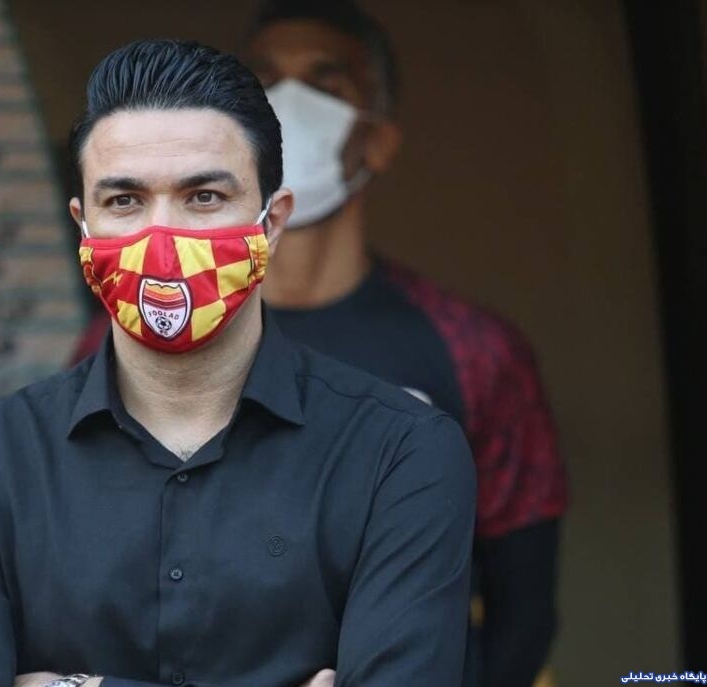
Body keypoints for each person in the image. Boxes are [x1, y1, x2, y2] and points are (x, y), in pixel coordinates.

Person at [0, 39, 476, 687]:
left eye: (203, 196)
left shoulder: (400, 454)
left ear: (272, 222)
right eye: (124, 201)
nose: (162, 238)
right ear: (83, 226)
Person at [68, 4, 569, 687]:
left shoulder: (474, 350)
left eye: (325, 85)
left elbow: (523, 614)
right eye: (266, 81)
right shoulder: (121, 340)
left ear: (380, 140)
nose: (289, 105)